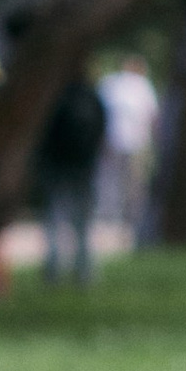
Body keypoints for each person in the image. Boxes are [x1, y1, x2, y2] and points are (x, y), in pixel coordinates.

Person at [34, 70, 108, 286]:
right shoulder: (92, 97)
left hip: (56, 166)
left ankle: (53, 269)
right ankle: (83, 271)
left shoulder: (56, 98)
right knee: (82, 223)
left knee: (53, 218)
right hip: (84, 167)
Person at [95, 54, 162, 244]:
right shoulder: (142, 85)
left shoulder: (110, 83)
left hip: (114, 140)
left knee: (112, 180)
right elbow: (153, 116)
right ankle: (130, 217)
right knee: (133, 183)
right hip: (134, 142)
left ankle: (111, 216)